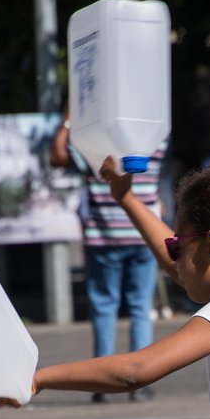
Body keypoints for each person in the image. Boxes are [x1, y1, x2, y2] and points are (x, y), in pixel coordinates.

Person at [0, 106, 210, 419]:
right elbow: (181, 267)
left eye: (179, 246)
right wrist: (127, 199)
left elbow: (135, 371)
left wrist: (39, 379)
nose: (174, 259)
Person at [49, 106, 166, 403]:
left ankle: (102, 382)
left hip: (104, 237)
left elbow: (57, 155)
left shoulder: (94, 145)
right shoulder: (154, 138)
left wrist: (69, 116)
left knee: (104, 307)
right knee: (140, 307)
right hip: (144, 234)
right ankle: (140, 381)